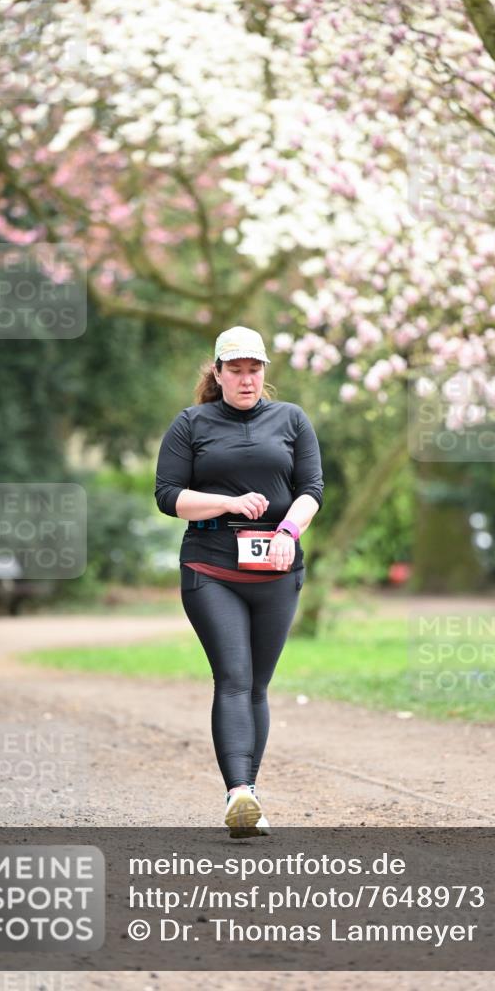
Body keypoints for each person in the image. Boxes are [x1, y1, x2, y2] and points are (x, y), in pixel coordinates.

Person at [154, 325, 323, 837]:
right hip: (210, 565)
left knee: (257, 685)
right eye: (236, 370)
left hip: (276, 566)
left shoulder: (291, 419)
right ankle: (240, 793)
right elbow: (167, 495)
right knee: (233, 675)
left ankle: (249, 794)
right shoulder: (192, 423)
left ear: (264, 372)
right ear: (218, 372)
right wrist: (228, 502)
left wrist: (288, 530)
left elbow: (311, 489)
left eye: (255, 370)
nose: (246, 379)